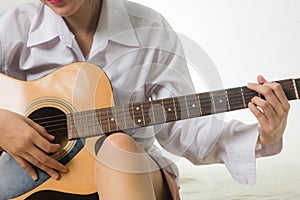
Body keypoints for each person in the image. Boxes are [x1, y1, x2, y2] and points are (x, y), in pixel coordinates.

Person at [0, 0, 290, 199]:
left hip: (131, 180)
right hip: (41, 182)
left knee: (119, 147)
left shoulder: (150, 29)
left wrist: (264, 136)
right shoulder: (16, 25)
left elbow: (184, 133)